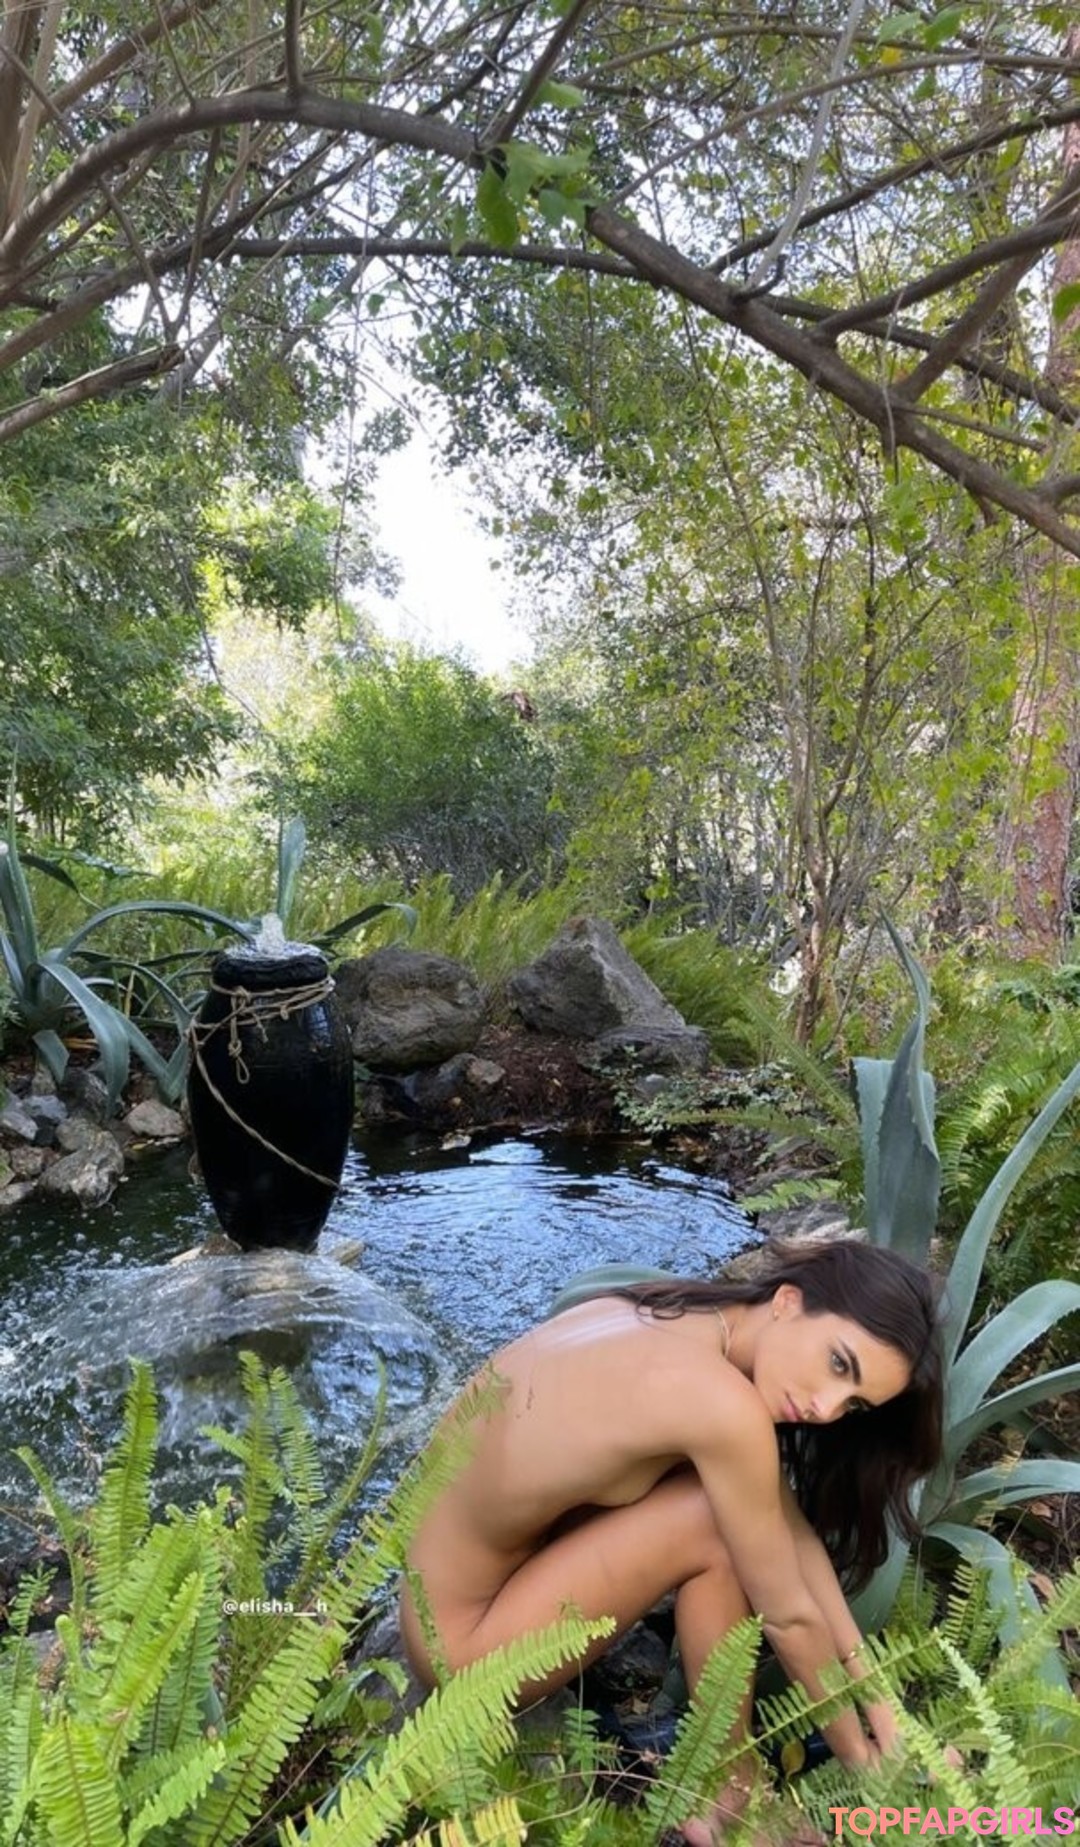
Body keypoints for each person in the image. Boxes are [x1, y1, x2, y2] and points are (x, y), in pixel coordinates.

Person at [399, 1239, 944, 1841]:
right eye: (839, 1364)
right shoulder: (719, 1403)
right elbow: (789, 1617)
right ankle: (729, 1788)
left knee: (724, 1507)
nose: (826, 1408)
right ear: (789, 1301)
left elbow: (789, 1533)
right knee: (715, 1526)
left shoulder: (670, 1312)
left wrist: (885, 1712)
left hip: (445, 1597)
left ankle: (729, 1780)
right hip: (465, 1652)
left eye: (854, 1405)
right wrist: (868, 1769)